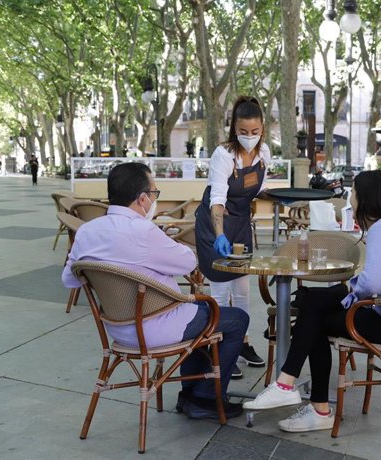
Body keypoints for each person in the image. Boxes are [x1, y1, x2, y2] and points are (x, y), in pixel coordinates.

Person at [243, 170, 381, 433]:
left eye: (353, 192)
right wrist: (351, 293)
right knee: (314, 303)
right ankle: (292, 388)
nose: (350, 198)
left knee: (315, 318)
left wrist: (353, 292)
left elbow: (373, 283)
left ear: (365, 197)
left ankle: (298, 393)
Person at [62, 162, 248, 420]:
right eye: (154, 194)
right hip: (155, 327)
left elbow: (70, 280)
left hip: (116, 328)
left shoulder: (87, 231)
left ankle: (190, 395)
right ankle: (205, 397)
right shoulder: (143, 231)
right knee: (236, 318)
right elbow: (188, 262)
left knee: (200, 312)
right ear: (142, 198)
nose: (154, 200)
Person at [195, 96, 269, 378]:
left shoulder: (264, 154)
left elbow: (259, 189)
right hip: (214, 225)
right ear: (233, 128)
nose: (249, 137)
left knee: (242, 290)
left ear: (262, 128)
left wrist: (285, 197)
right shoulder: (223, 154)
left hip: (240, 224)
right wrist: (219, 234)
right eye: (243, 132)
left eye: (255, 132)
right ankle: (218, 347)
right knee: (220, 290)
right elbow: (217, 199)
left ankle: (242, 343)